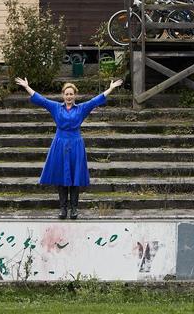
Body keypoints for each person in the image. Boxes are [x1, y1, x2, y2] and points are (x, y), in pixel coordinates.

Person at [15, 77, 123, 219]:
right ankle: (63, 209)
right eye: (67, 94)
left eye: (71, 94)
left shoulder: (82, 108)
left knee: (74, 176)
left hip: (75, 144)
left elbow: (95, 101)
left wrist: (110, 89)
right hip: (60, 144)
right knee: (61, 177)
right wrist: (27, 87)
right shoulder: (55, 107)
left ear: (75, 96)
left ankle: (74, 209)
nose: (69, 96)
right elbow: (41, 100)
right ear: (63, 95)